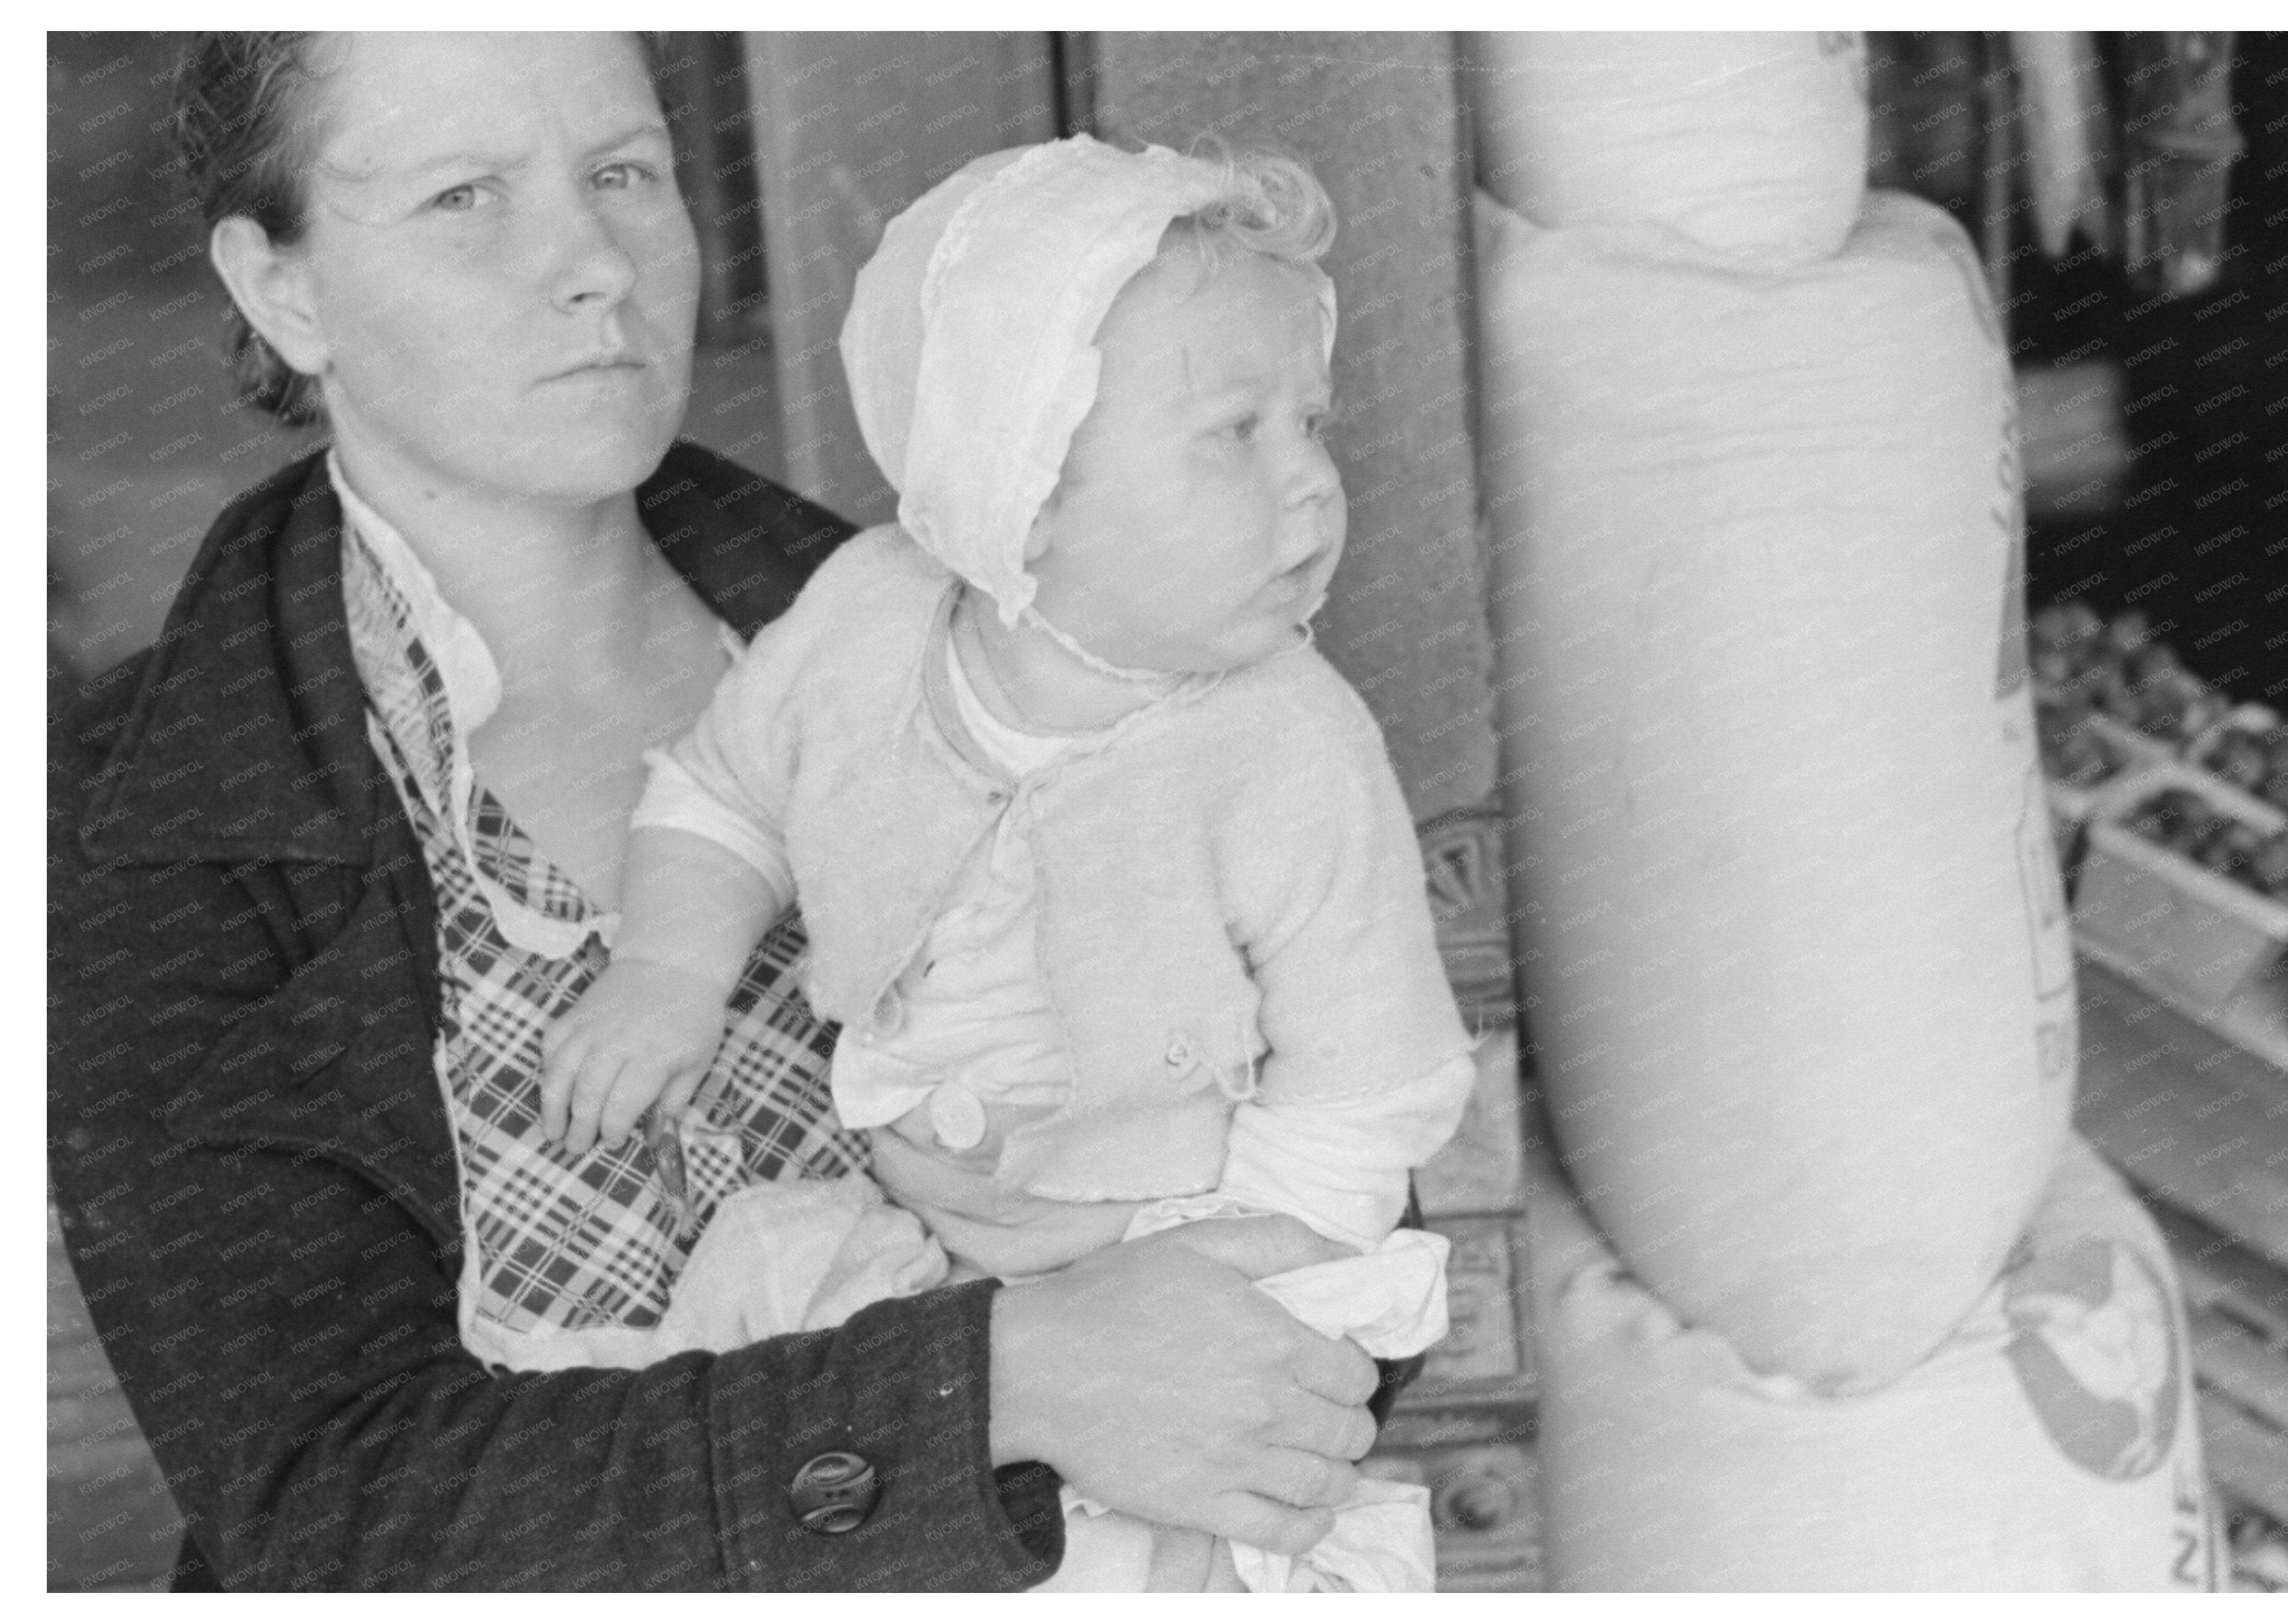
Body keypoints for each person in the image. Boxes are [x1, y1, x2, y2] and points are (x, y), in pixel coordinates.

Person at [47, 32, 1385, 1592]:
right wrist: (992, 1383)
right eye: (465, 196)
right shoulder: (133, 827)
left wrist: (1171, 1232)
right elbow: (331, 1512)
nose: (595, 265)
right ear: (282, 287)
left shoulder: (1021, 637)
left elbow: (1352, 1184)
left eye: (623, 174)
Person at [534, 136, 1480, 1591]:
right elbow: (724, 794)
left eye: (1316, 423)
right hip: (907, 1230)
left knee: (1156, 1553)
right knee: (760, 1309)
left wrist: (1216, 1282)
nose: (1310, 487)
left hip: (1177, 1233)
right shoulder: (862, 630)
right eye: (1236, 432)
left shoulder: (1293, 747)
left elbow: (1370, 1086)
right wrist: (670, 968)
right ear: (1020, 486)